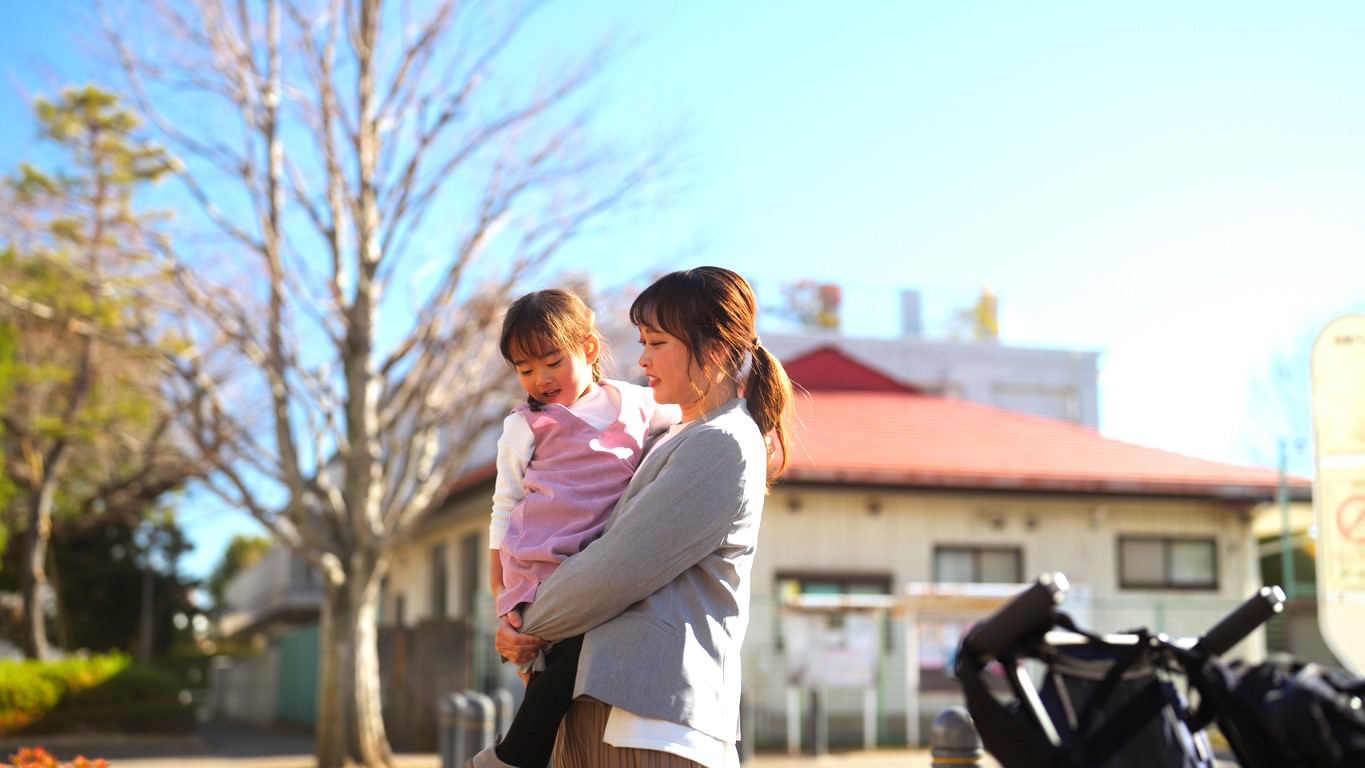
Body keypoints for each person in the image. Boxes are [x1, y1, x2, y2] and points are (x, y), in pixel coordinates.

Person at [475, 266, 794, 768]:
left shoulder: (721, 443)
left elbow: (609, 574)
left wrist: (524, 627)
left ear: (713, 348)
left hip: (653, 725)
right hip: (618, 715)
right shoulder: (678, 435)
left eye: (657, 342)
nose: (642, 359)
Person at [478, 288, 680, 768]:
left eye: (552, 362)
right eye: (525, 370)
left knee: (581, 653)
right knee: (555, 654)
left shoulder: (637, 402)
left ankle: (514, 754)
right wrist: (497, 585)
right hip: (540, 563)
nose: (541, 380)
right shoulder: (526, 425)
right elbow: (504, 503)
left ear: (589, 348)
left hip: (599, 562)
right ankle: (517, 754)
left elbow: (694, 418)